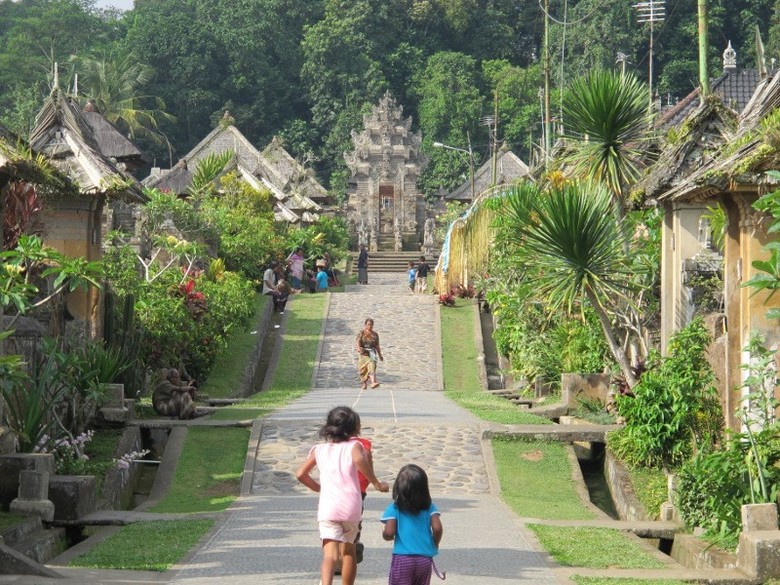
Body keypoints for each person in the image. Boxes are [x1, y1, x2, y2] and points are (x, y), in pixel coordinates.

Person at [296, 406, 389, 585]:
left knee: (329, 555)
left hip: (328, 508)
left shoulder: (319, 449)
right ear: (354, 428)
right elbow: (361, 460)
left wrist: (318, 488)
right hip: (350, 507)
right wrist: (377, 483)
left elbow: (300, 474)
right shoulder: (355, 446)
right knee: (349, 552)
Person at [381, 464, 444, 585]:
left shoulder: (394, 508)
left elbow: (389, 533)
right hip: (424, 560)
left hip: (403, 558)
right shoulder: (430, 507)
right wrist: (434, 544)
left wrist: (385, 534)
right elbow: (437, 528)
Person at [355, 318, 383, 389]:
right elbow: (358, 341)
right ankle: (364, 384)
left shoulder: (375, 334)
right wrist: (358, 348)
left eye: (371, 325)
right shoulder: (361, 333)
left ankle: (373, 382)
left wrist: (380, 355)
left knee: (372, 365)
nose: (370, 326)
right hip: (363, 353)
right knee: (363, 370)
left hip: (372, 353)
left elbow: (377, 346)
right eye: (368, 325)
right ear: (365, 325)